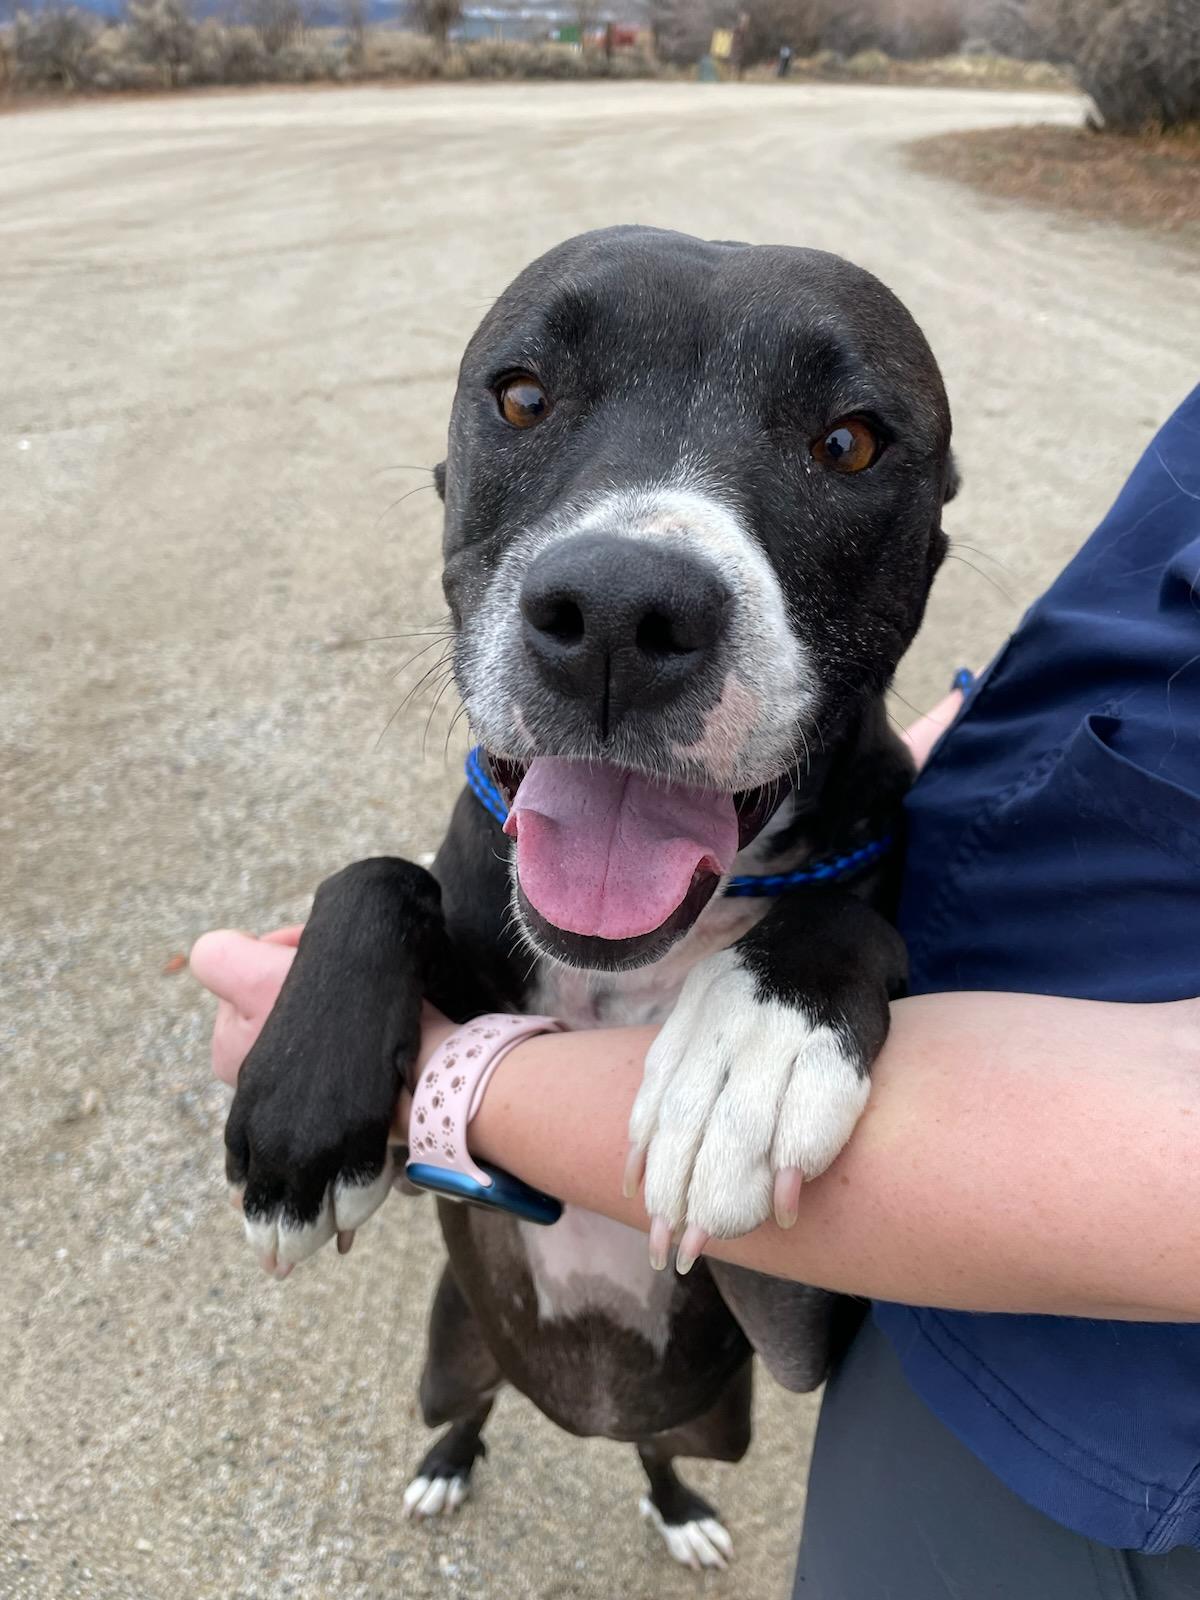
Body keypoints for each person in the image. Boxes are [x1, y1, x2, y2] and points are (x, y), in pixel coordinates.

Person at [193, 386, 1200, 1596]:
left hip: (1063, 1407)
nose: (627, 584)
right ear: (448, 474)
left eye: (844, 445)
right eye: (525, 404)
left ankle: (664, 1484)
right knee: (449, 1384)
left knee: (696, 1430)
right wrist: (370, 916)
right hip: (522, 1304)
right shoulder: (488, 849)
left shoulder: (854, 895)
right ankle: (460, 1436)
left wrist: (449, 1084)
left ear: (930, 522)